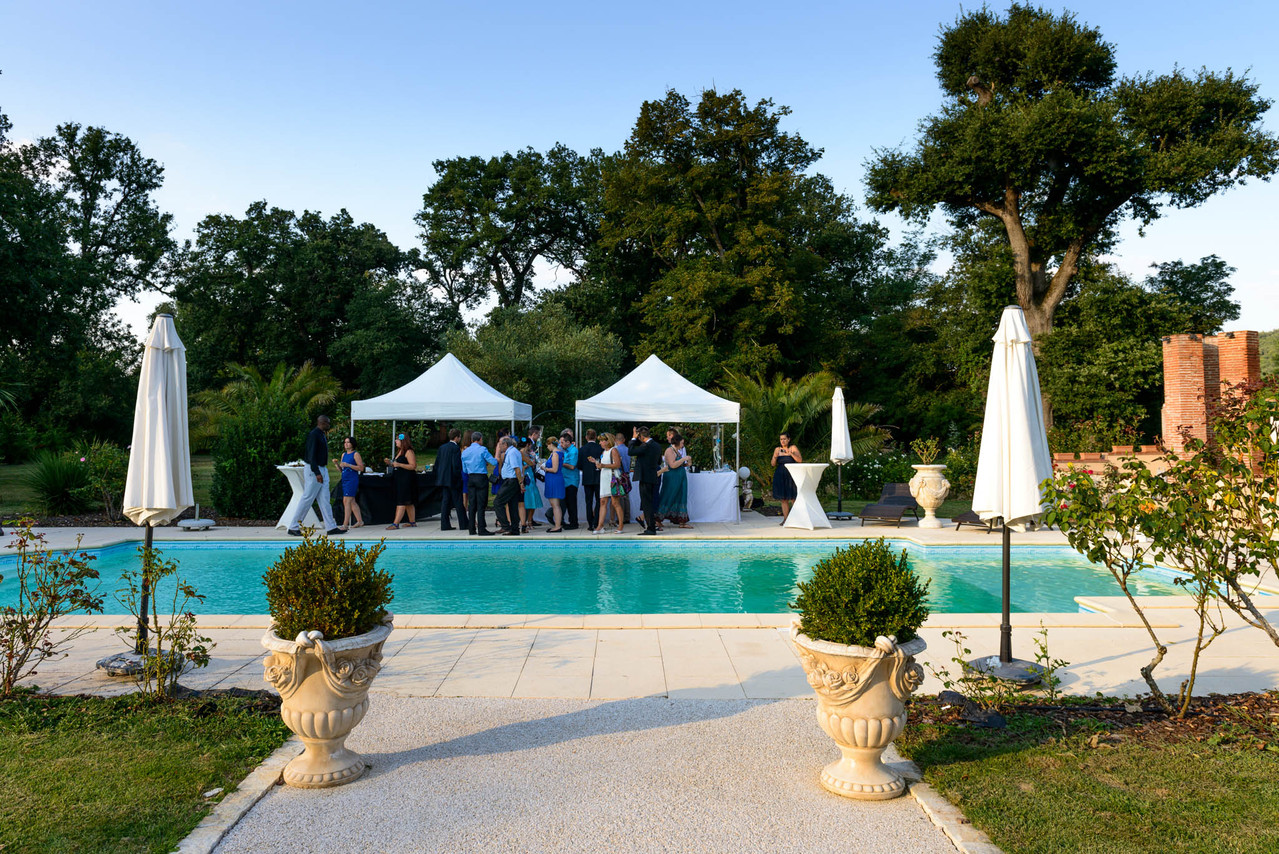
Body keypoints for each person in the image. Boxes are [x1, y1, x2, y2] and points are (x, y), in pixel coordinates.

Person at [287, 415, 342, 536]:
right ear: (322, 422)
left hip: (322, 469)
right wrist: (317, 472)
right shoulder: (314, 435)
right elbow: (311, 455)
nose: (329, 425)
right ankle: (293, 526)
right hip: (314, 470)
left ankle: (331, 527)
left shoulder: (321, 434)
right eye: (328, 423)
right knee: (307, 498)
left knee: (325, 499)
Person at [461, 431, 498, 536]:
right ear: (480, 439)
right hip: (481, 477)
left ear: (472, 440)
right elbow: (494, 462)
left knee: (472, 504)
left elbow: (464, 469)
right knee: (481, 504)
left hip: (471, 478)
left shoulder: (465, 452)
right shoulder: (482, 449)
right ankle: (481, 529)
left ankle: (471, 528)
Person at [628, 426, 663, 535]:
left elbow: (630, 451)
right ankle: (651, 526)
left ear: (641, 436)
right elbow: (659, 461)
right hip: (653, 476)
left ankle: (651, 528)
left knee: (646, 503)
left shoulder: (645, 446)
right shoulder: (657, 445)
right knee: (650, 502)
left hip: (644, 476)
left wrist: (633, 439)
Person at [590, 432, 625, 534]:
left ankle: (621, 526)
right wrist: (596, 463)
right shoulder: (604, 452)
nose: (600, 442)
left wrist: (603, 465)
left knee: (615, 503)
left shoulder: (613, 450)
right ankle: (600, 526)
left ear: (607, 441)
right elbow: (603, 465)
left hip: (612, 478)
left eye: (602, 441)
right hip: (605, 478)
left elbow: (617, 464)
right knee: (603, 502)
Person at [383, 433, 418, 530]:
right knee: (408, 501)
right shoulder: (399, 452)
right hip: (399, 479)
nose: (395, 441)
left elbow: (413, 466)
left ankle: (396, 523)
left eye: (397, 440)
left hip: (406, 480)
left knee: (402, 501)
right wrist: (391, 463)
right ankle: (412, 522)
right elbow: (397, 464)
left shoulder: (408, 451)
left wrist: (399, 465)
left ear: (403, 441)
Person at [658, 432, 693, 528]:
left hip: (680, 477)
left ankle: (681, 521)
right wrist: (683, 459)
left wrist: (687, 463)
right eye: (682, 443)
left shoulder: (676, 451)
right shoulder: (669, 450)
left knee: (680, 496)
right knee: (668, 496)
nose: (683, 445)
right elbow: (672, 465)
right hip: (672, 478)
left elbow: (678, 464)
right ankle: (658, 519)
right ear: (677, 442)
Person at [434, 428, 466, 531]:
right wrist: (459, 477)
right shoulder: (455, 448)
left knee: (445, 502)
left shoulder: (442, 447)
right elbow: (456, 465)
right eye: (459, 437)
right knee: (458, 502)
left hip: (443, 479)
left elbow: (437, 463)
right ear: (456, 437)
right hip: (453, 479)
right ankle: (463, 523)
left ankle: (444, 524)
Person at [333, 435, 365, 530]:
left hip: (352, 480)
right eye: (345, 442)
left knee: (346, 501)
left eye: (348, 442)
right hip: (345, 479)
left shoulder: (355, 454)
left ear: (352, 444)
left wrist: (349, 465)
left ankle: (345, 524)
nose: (346, 444)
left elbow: (361, 468)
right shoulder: (344, 455)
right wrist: (337, 464)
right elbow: (342, 469)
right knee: (352, 501)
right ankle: (360, 521)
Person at [495, 436, 525, 535]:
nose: (499, 447)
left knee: (498, 502)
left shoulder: (511, 453)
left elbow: (517, 469)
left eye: (500, 445)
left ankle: (505, 526)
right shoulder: (513, 451)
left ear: (505, 444)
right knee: (512, 505)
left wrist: (521, 483)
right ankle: (514, 529)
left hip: (511, 481)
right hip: (512, 481)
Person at [771, 431, 802, 522]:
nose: (783, 441)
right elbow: (773, 464)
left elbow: (799, 460)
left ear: (788, 439)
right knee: (783, 499)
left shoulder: (793, 448)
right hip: (780, 475)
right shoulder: (777, 449)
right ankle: (786, 519)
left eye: (784, 439)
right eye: (781, 439)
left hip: (791, 475)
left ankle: (797, 519)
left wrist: (790, 453)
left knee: (793, 498)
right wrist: (775, 456)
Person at [606, 431, 633, 528]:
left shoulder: (615, 450)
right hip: (627, 474)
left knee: (619, 496)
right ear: (624, 440)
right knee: (626, 497)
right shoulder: (628, 449)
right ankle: (627, 517)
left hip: (619, 474)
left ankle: (620, 518)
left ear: (615, 440)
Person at [580, 429, 603, 532]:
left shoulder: (582, 449)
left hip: (587, 478)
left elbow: (579, 465)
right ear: (596, 437)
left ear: (586, 437)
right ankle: (596, 521)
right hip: (598, 477)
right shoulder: (600, 448)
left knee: (588, 502)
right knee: (599, 501)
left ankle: (590, 523)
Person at [542, 436, 566, 532]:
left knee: (555, 504)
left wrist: (545, 468)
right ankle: (557, 525)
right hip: (553, 479)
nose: (547, 447)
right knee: (554, 504)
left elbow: (555, 469)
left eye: (547, 445)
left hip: (554, 479)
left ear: (551, 444)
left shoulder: (555, 454)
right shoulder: (558, 452)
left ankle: (557, 526)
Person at [520, 436, 543, 533]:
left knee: (532, 499)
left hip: (530, 476)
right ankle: (526, 521)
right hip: (526, 477)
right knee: (527, 499)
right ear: (527, 445)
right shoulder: (521, 453)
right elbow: (527, 464)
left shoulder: (528, 453)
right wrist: (529, 463)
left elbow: (534, 463)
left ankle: (529, 521)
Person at [560, 430, 580, 530]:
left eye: (562, 442)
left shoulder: (573, 451)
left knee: (571, 503)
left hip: (571, 481)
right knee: (567, 502)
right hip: (566, 480)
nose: (561, 444)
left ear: (568, 442)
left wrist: (560, 463)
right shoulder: (566, 451)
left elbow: (572, 466)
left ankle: (574, 523)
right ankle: (569, 521)